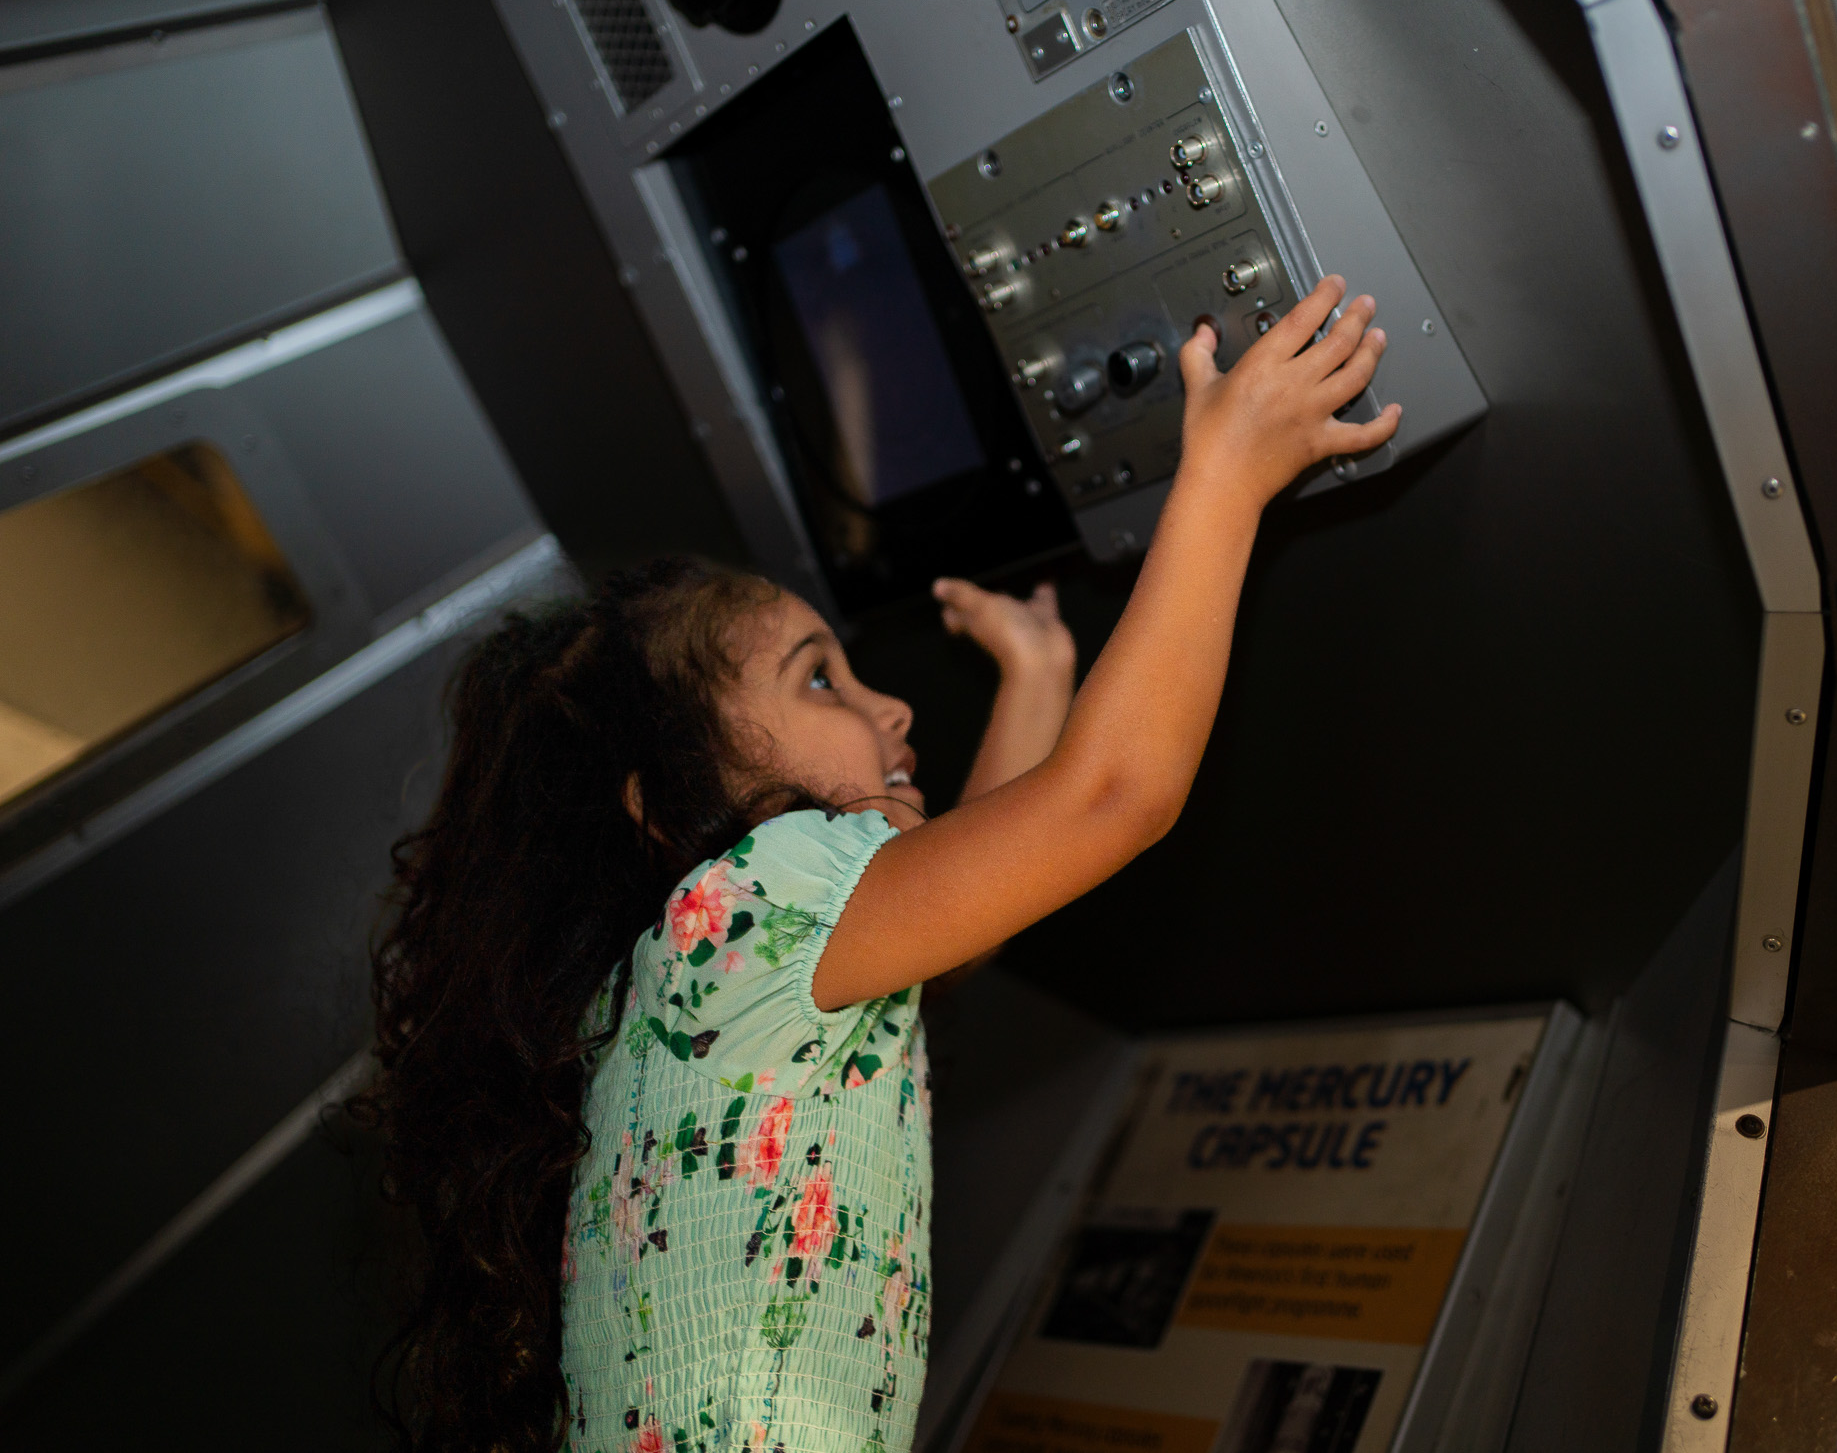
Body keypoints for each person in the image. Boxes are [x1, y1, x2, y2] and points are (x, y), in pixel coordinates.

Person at [362, 276, 1399, 1453]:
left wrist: (1038, 677)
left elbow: (963, 918)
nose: (891, 705)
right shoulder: (746, 898)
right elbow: (1110, 798)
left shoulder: (664, 993)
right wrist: (1226, 470)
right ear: (667, 803)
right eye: (820, 678)